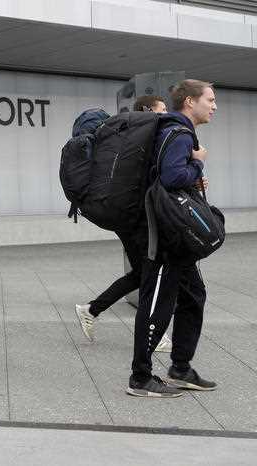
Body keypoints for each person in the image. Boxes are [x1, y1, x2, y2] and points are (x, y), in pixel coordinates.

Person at [126, 79, 216, 397]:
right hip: (165, 235)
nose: (214, 105)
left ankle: (180, 367)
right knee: (156, 304)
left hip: (175, 236)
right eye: (209, 99)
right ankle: (140, 377)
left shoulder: (175, 132)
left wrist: (192, 167)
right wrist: (197, 162)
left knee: (194, 295)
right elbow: (172, 176)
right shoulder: (177, 133)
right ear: (189, 102)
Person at [75, 95, 172, 352]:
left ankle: (92, 309)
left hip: (122, 211)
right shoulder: (144, 134)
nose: (165, 114)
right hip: (135, 214)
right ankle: (154, 333)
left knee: (142, 272)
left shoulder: (124, 137)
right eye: (162, 110)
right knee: (154, 271)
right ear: (149, 110)